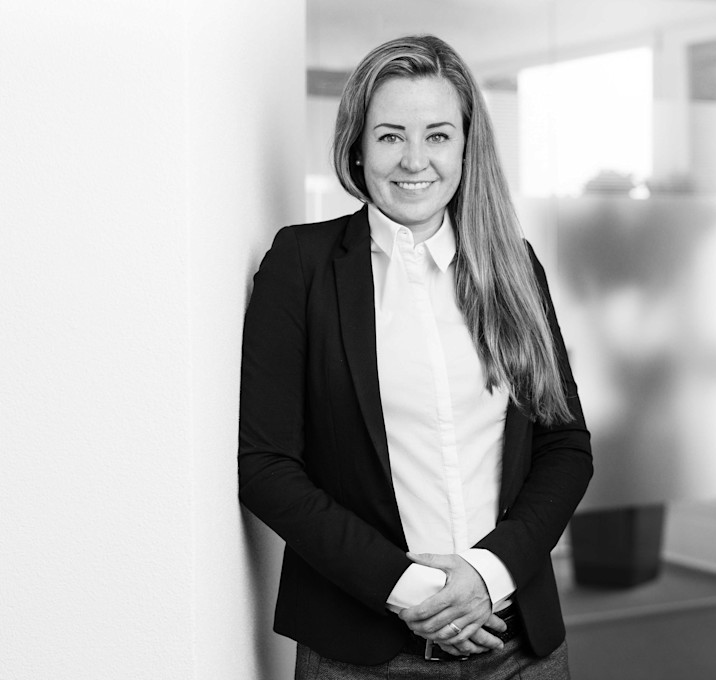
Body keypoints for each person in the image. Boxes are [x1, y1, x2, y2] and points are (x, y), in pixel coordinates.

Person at [238, 35, 592, 679]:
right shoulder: (301, 266)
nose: (414, 160)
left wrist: (487, 574)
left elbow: (564, 445)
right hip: (360, 655)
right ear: (357, 145)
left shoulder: (514, 265)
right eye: (390, 136)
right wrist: (413, 591)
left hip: (518, 648)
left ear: (466, 146)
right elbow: (267, 466)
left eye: (437, 136)